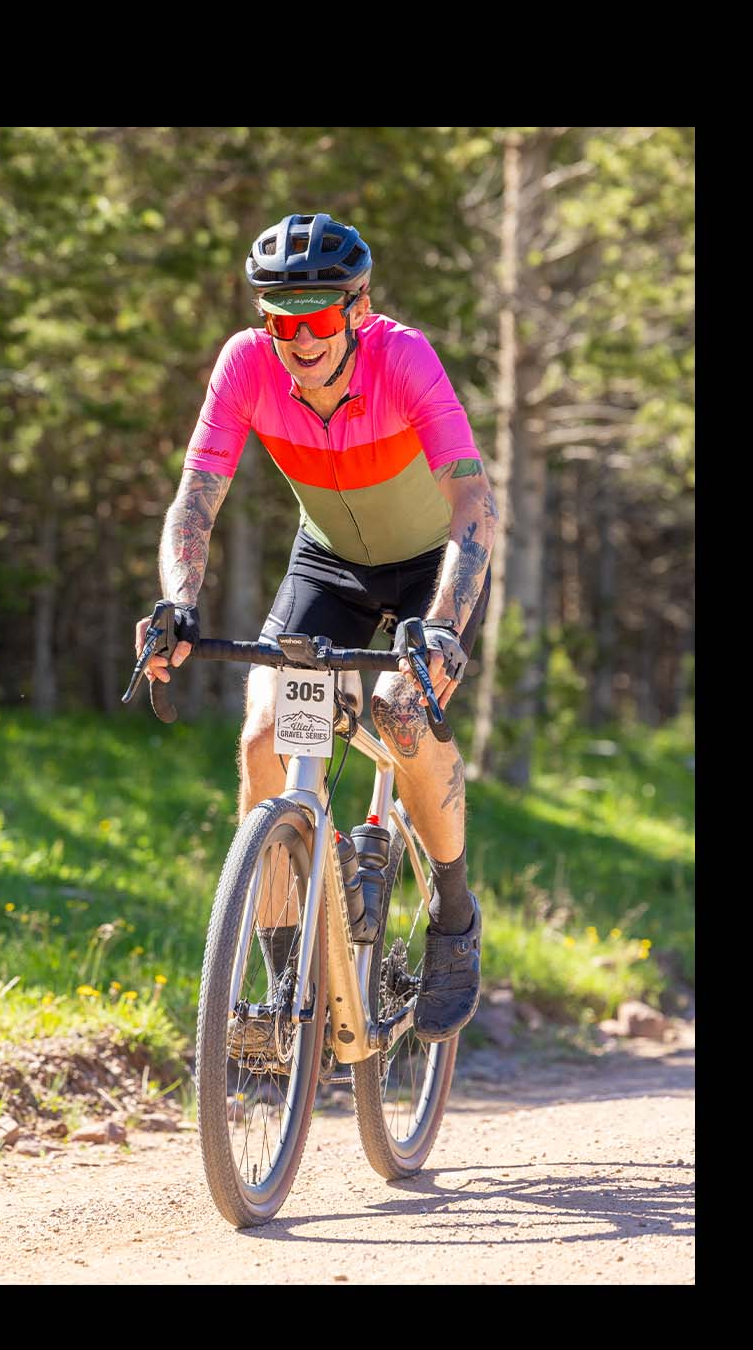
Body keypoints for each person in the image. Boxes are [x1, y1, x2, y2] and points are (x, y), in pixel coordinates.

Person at [137, 212, 494, 1043]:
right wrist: (178, 602)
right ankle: (281, 977)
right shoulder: (245, 365)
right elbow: (195, 499)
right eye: (282, 316)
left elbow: (475, 500)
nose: (300, 337)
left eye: (319, 316)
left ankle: (452, 910)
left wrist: (441, 626)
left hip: (425, 567)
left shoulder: (403, 356)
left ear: (356, 309)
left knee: (402, 715)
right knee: (264, 736)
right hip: (329, 561)